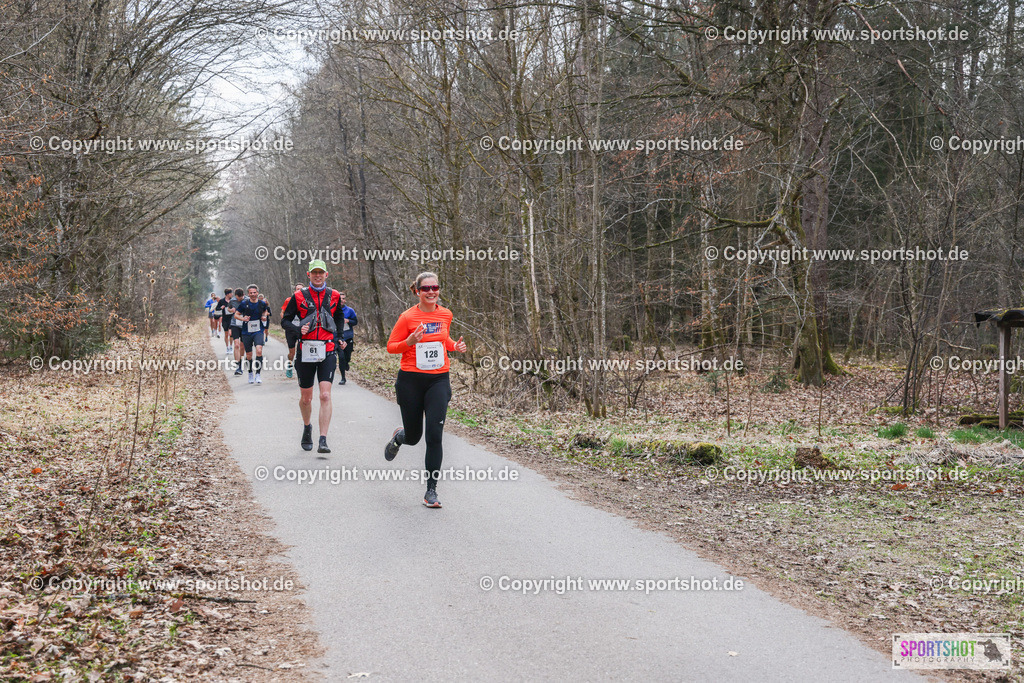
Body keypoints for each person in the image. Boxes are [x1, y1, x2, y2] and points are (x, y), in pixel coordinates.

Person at [383, 271, 466, 508]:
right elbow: (391, 347)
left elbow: (444, 340)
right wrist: (409, 342)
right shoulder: (407, 317)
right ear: (417, 291)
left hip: (438, 380)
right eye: (426, 288)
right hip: (410, 381)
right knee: (414, 437)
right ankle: (399, 437)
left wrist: (454, 346)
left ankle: (431, 490)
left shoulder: (445, 314)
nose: (431, 292)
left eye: (435, 287)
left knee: (434, 435)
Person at [281, 260, 347, 453]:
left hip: (327, 349)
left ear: (326, 274)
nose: (317, 276)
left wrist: (340, 337)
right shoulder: (299, 296)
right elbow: (285, 320)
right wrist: (296, 329)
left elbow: (339, 317)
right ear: (308, 274)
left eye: (321, 272)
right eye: (314, 273)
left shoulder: (333, 295)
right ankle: (307, 427)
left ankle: (323, 439)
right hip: (306, 350)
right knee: (306, 399)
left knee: (325, 395)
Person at [235, 284, 270, 384]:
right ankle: (250, 373)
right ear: (248, 294)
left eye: (254, 292)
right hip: (246, 332)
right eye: (251, 293)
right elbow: (236, 315)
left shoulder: (262, 303)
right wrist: (243, 318)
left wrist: (264, 316)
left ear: (257, 293)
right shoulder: (244, 304)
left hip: (258, 330)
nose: (253, 294)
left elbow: (265, 311)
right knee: (249, 355)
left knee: (259, 350)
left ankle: (258, 374)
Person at [281, 284, 304, 379]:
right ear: (295, 290)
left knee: (302, 350)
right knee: (292, 352)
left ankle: (300, 367)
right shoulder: (288, 300)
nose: (299, 290)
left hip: (301, 329)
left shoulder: (306, 301)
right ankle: (289, 365)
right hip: (291, 329)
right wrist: (287, 322)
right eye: (297, 289)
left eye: (301, 289)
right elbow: (282, 312)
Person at [336, 290, 358, 385]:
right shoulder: (333, 310)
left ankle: (346, 363)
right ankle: (343, 378)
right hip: (338, 338)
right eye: (340, 299)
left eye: (343, 299)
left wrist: (348, 320)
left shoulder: (350, 310)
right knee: (341, 357)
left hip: (348, 337)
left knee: (347, 357)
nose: (342, 300)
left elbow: (355, 322)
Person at [228, 288, 245, 372]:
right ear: (236, 296)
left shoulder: (247, 300)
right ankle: (237, 364)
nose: (240, 299)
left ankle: (241, 360)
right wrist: (231, 310)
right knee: (236, 344)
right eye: (239, 297)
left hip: (244, 324)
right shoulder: (232, 301)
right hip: (235, 324)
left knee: (242, 345)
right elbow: (228, 308)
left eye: (241, 297)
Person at [216, 288, 234, 354]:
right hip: (225, 319)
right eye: (231, 293)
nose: (232, 294)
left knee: (231, 334)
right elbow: (217, 308)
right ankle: (227, 347)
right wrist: (221, 307)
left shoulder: (233, 300)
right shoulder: (222, 301)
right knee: (226, 334)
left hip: (232, 319)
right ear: (228, 294)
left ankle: (231, 346)